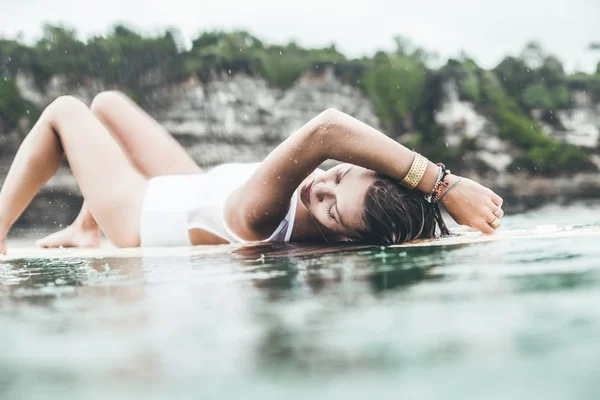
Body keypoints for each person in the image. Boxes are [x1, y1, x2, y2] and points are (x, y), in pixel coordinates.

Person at [0, 91, 504, 254]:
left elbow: (327, 129)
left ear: (346, 241)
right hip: (193, 188)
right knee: (107, 104)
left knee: (67, 111)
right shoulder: (305, 197)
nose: (319, 187)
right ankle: (84, 229)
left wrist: (445, 183)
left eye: (331, 209)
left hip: (137, 215)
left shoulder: (262, 217)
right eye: (341, 176)